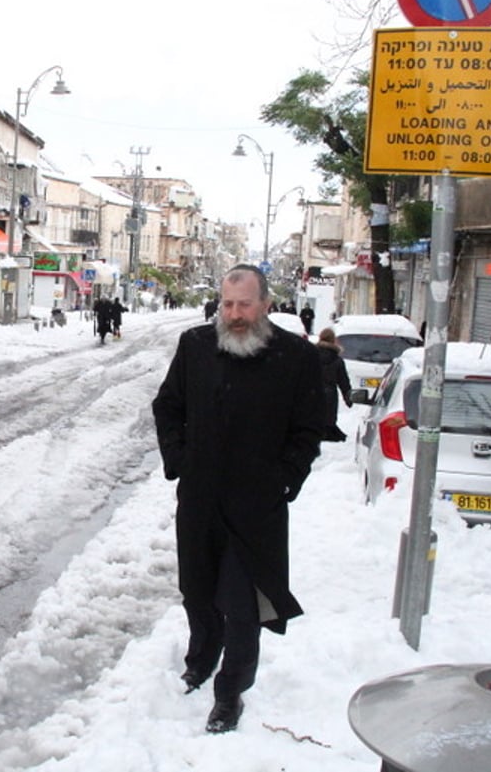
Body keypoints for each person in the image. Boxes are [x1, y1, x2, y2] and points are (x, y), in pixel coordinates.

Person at [151, 264, 323, 734]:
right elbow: (167, 406)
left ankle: (230, 693)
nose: (234, 314)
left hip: (256, 508)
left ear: (266, 304)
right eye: (227, 304)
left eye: (244, 304)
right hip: (201, 499)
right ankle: (201, 659)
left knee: (243, 604)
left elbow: (311, 427)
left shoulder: (294, 357)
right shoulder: (197, 347)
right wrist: (180, 459)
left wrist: (286, 477)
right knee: (198, 593)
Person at [315, 327, 352, 442]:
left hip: (312, 393)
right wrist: (348, 398)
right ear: (333, 341)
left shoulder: (311, 356)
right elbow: (343, 381)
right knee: (328, 422)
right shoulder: (337, 360)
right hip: (330, 396)